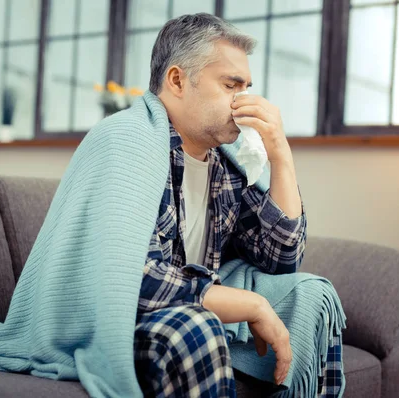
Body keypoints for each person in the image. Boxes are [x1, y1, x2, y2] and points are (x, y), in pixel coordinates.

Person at [130, 13, 343, 398]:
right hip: (127, 322)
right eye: (231, 86)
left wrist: (281, 155)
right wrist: (252, 305)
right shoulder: (128, 145)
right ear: (177, 81)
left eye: (247, 87)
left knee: (310, 293)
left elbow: (282, 258)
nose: (244, 101)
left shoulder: (223, 165)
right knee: (195, 326)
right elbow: (132, 279)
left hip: (187, 313)